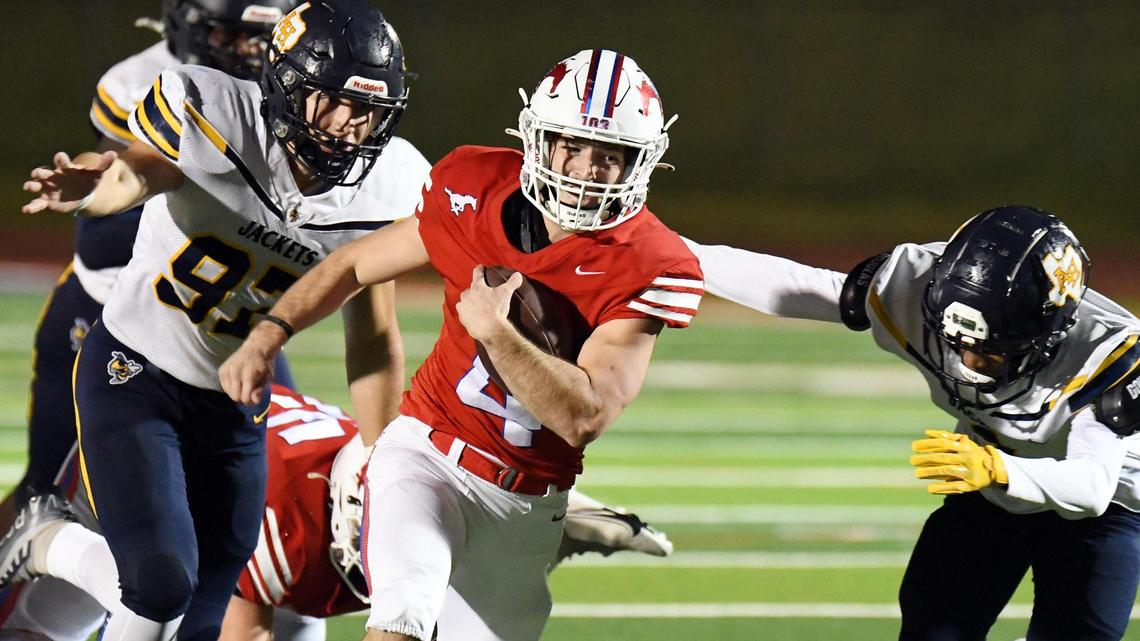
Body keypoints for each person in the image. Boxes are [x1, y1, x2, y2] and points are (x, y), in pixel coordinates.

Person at [220, 48, 704, 641]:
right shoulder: (473, 188)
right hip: (424, 453)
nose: (584, 170)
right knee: (401, 617)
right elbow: (353, 265)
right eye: (570, 147)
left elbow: (584, 415)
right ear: (538, 140)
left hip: (527, 497)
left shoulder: (653, 263)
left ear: (641, 162)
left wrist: (496, 333)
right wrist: (271, 331)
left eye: (609, 156)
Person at [6, 1, 428, 639]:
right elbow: (137, 170)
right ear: (287, 84)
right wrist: (93, 189)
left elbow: (371, 336)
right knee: (158, 582)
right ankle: (45, 542)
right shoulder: (214, 112)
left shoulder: (389, 186)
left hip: (236, 406)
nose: (348, 127)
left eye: (366, 110)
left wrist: (383, 458)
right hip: (135, 372)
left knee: (204, 617)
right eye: (332, 101)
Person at [694, 205, 1140, 640]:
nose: (968, 363)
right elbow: (803, 287)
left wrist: (996, 468)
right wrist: (678, 253)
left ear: (1051, 331)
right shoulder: (917, 285)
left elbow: (1092, 487)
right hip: (989, 486)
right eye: (957, 344)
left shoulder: (1106, 352)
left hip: (1106, 508)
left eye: (992, 352)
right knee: (934, 624)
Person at [0, 384, 673, 641]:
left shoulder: (386, 496)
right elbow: (242, 622)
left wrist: (568, 520)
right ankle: (52, 541)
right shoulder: (285, 525)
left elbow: (476, 497)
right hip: (135, 475)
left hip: (268, 477)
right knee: (157, 605)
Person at [9, 0, 297, 523]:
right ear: (187, 24)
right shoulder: (144, 81)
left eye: (262, 35)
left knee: (277, 480)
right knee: (49, 492)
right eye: (230, 34)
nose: (250, 51)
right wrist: (98, 186)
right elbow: (123, 196)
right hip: (119, 306)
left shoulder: (290, 93)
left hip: (230, 319)